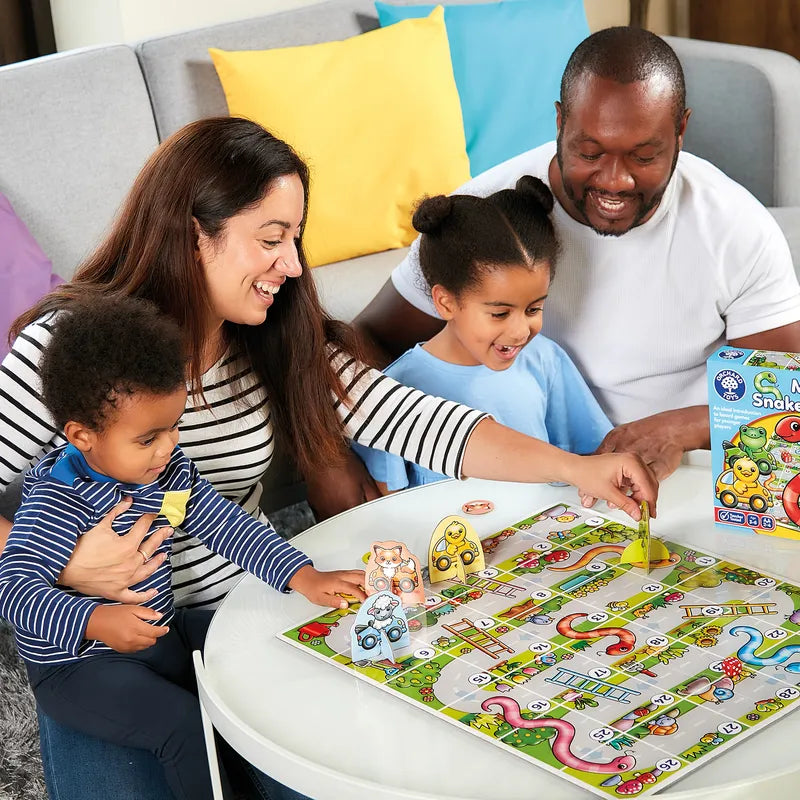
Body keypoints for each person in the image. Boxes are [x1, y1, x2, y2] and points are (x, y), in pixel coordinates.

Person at [0, 116, 657, 799]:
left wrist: (574, 465)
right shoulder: (70, 349)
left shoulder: (272, 337)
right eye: (271, 239)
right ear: (196, 234)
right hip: (97, 649)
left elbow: (416, 420)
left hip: (234, 613)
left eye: (295, 240)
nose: (292, 265)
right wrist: (61, 562)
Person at [354, 26, 800, 490]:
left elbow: (785, 390)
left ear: (681, 130)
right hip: (542, 473)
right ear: (560, 122)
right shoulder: (488, 217)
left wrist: (681, 428)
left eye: (643, 157)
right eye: (589, 152)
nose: (615, 181)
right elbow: (365, 338)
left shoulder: (733, 225)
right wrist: (332, 465)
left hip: (689, 470)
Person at [0, 296, 366, 800]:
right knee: (182, 727)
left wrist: (302, 575)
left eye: (174, 426)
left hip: (161, 632)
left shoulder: (165, 474)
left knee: (259, 641)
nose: (168, 447)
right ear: (82, 436)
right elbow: (17, 592)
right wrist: (95, 621)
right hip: (82, 665)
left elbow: (221, 523)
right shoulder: (56, 500)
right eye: (148, 438)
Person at [354, 176, 612, 492]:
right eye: (500, 314)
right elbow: (388, 500)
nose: (520, 332)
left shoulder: (544, 359)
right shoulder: (396, 390)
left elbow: (589, 456)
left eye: (533, 309)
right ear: (446, 302)